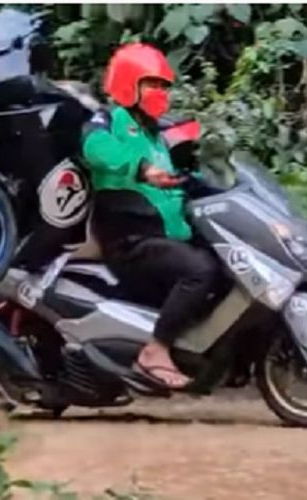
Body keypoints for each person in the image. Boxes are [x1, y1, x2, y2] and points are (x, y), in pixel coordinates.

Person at [81, 43, 221, 390]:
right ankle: (155, 351)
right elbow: (95, 149)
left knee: (225, 261)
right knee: (199, 271)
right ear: (129, 84)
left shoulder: (155, 135)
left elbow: (175, 179)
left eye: (163, 86)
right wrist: (142, 168)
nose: (160, 93)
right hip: (131, 237)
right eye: (152, 84)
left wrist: (209, 187)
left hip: (163, 234)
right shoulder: (108, 120)